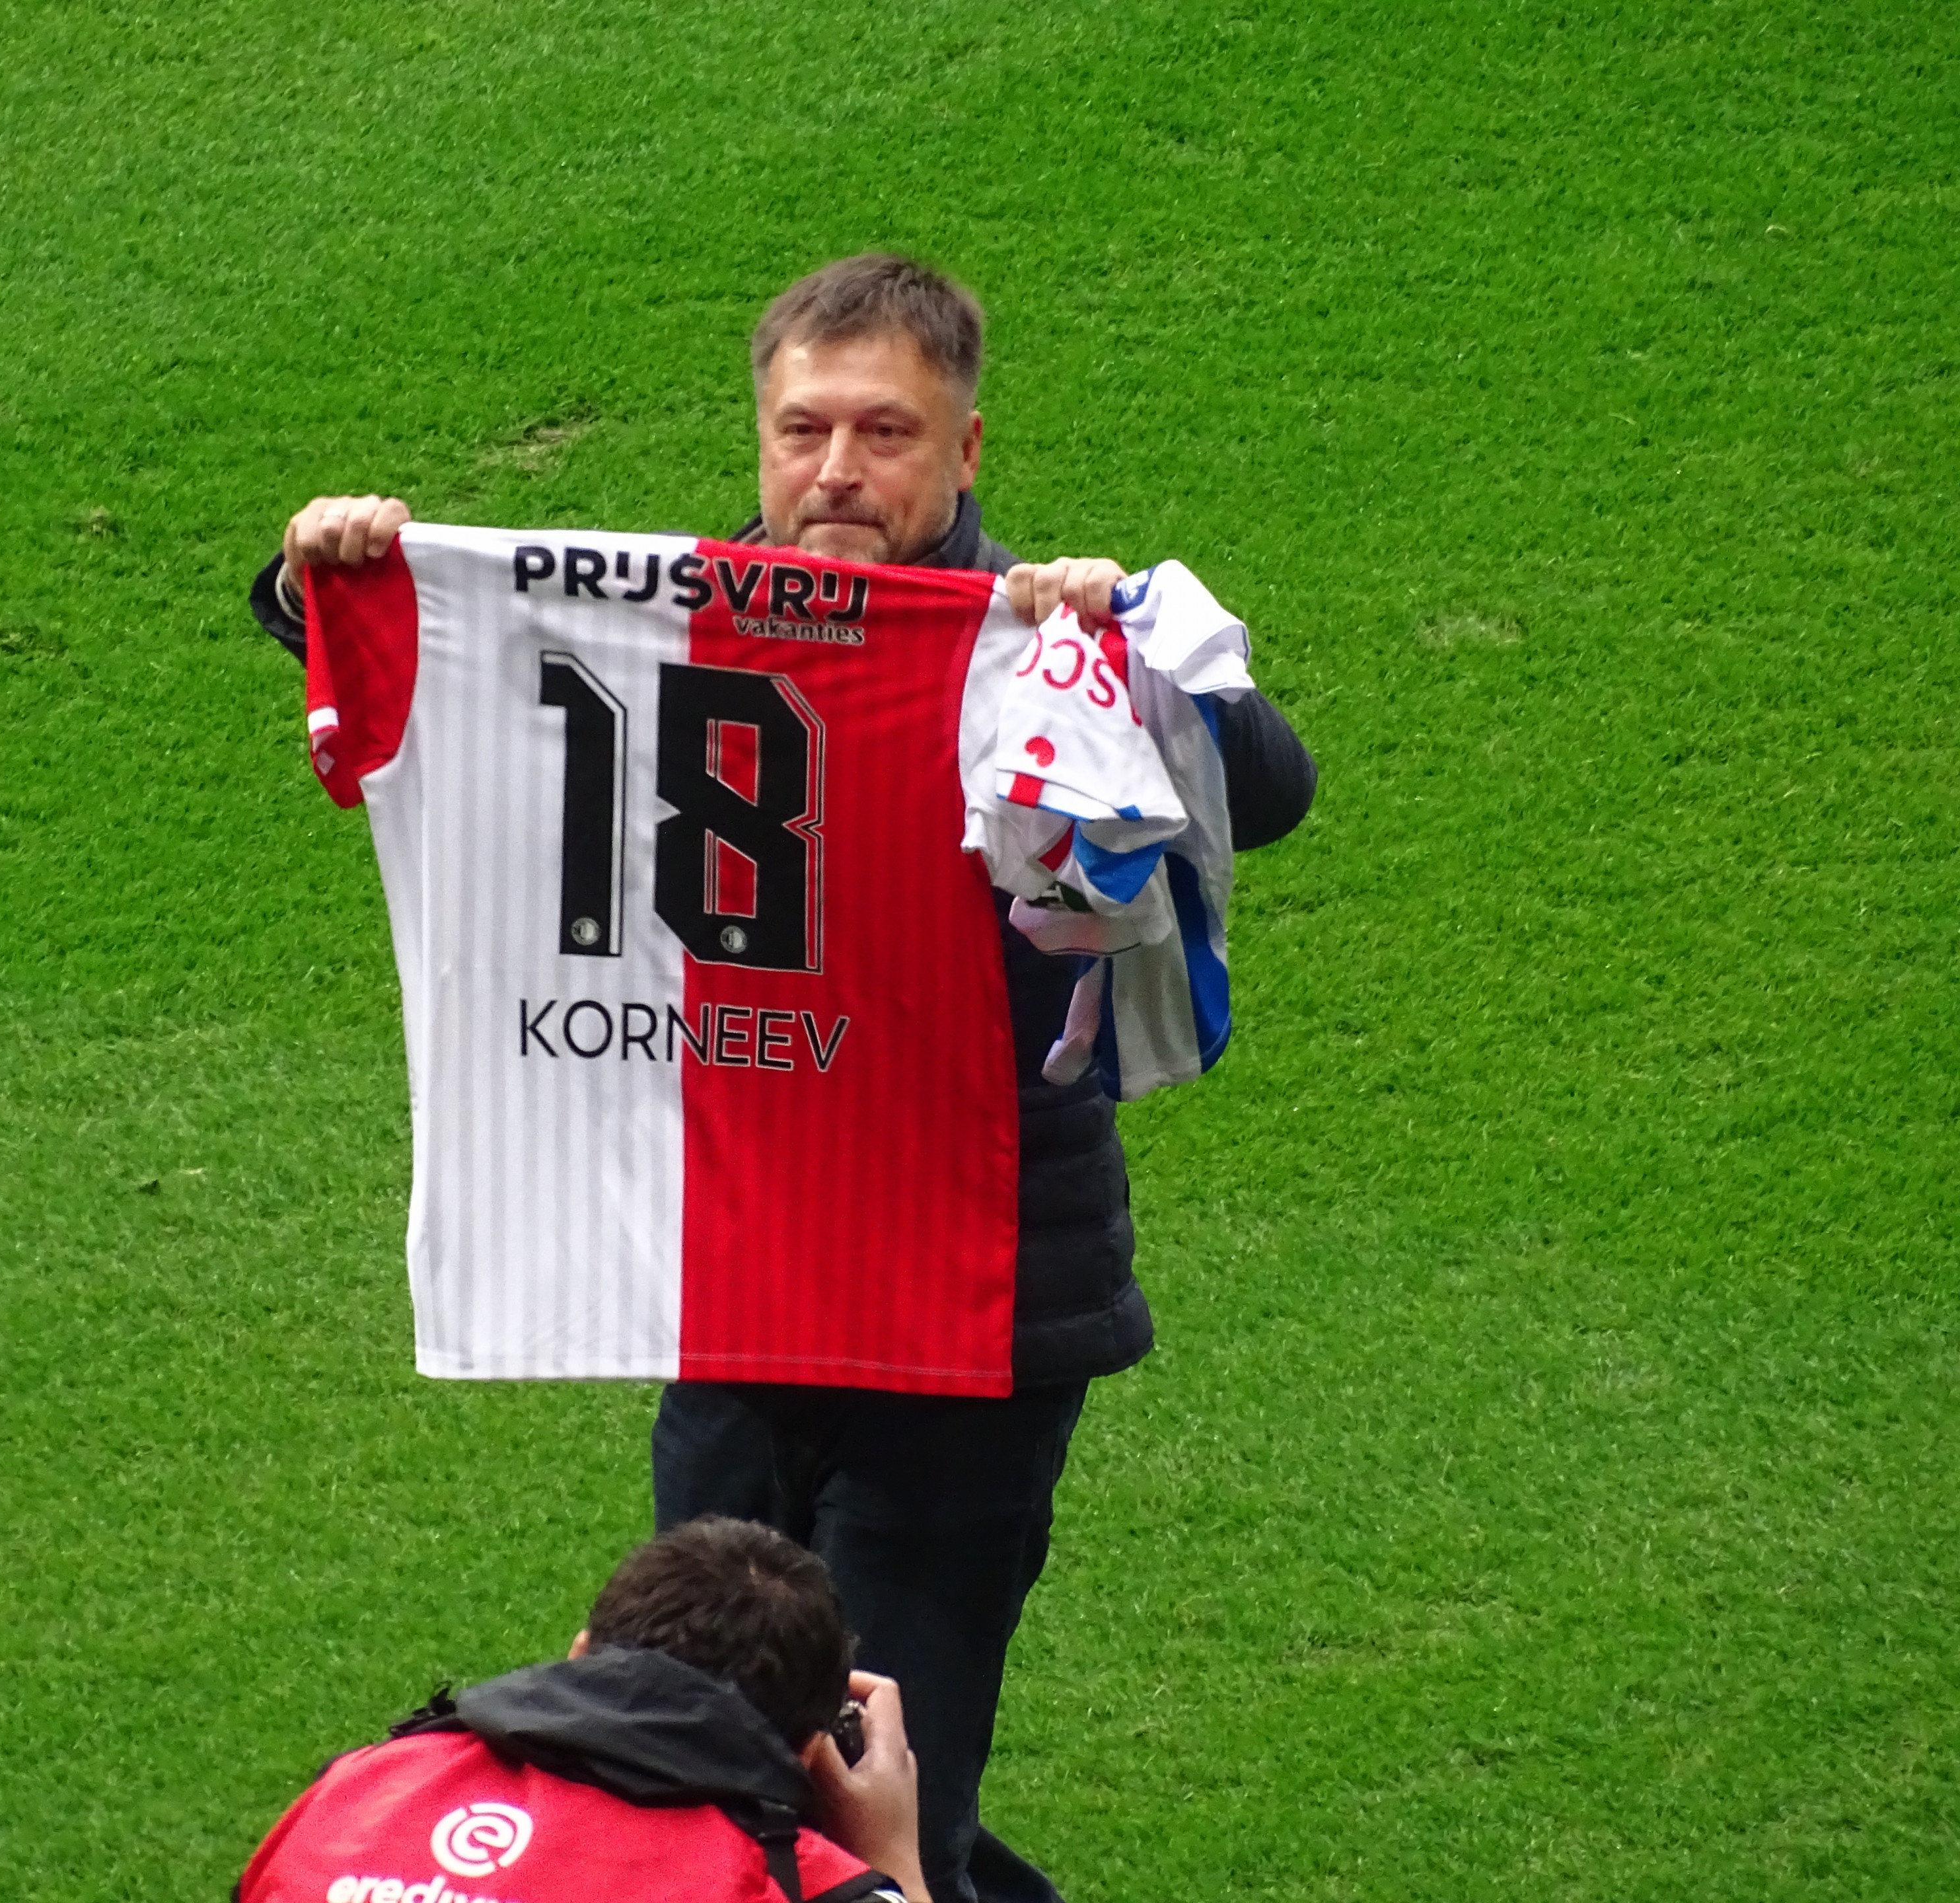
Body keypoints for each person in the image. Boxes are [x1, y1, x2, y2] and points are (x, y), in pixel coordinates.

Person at [254, 252, 1319, 1903]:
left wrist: (1127, 651)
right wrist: (324, 579)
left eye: (883, 432)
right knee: (699, 1755)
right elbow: (459, 660)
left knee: (887, 1782)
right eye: (800, 428)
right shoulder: (667, 620)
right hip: (739, 1294)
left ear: (966, 452)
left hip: (973, 1318)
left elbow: (1268, 787)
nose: (833, 471)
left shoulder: (1036, 633)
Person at [234, 1516, 927, 1903]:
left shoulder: (361, 1788)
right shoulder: (793, 1881)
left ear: (582, 1653)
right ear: (812, 1750)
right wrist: (892, 1855)